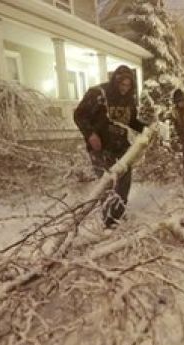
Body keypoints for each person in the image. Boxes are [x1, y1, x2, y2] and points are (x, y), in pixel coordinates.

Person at [73, 65, 146, 227]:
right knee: (108, 184)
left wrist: (147, 129)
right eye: (122, 84)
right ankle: (108, 221)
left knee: (124, 182)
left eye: (128, 86)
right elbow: (79, 114)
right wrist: (90, 134)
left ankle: (117, 216)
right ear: (115, 81)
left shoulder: (128, 99)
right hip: (101, 148)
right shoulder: (99, 94)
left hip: (121, 146)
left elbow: (132, 121)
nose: (124, 88)